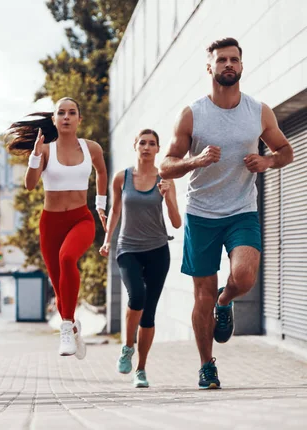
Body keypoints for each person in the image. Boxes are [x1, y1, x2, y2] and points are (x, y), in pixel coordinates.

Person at [159, 38, 294, 389]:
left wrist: (267, 161)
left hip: (241, 210)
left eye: (234, 59)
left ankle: (226, 299)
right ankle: (207, 365)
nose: (228, 65)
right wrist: (195, 160)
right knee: (200, 295)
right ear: (210, 68)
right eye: (222, 60)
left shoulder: (259, 111)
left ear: (241, 66)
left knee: (245, 276)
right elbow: (166, 166)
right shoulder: (192, 114)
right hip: (202, 214)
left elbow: (285, 151)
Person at [4, 97, 108, 359]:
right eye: (61, 112)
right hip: (51, 224)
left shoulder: (92, 148)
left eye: (72, 112)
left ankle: (64, 327)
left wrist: (100, 205)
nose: (66, 117)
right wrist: (35, 156)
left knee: (67, 258)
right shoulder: (46, 149)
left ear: (78, 119)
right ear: (54, 119)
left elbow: (102, 173)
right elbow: (29, 184)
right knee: (59, 286)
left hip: (81, 219)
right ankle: (73, 327)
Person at [100, 129, 181, 388]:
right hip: (128, 248)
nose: (147, 147)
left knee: (149, 314)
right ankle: (127, 347)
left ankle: (141, 370)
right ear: (135, 146)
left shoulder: (165, 179)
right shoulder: (121, 178)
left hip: (158, 250)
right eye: (142, 143)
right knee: (137, 296)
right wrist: (107, 240)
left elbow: (177, 223)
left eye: (152, 144)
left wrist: (167, 197)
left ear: (158, 149)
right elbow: (115, 211)